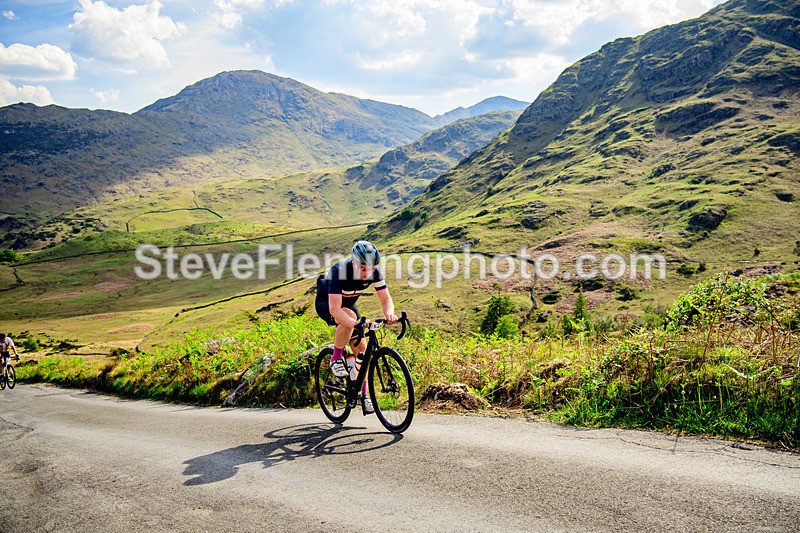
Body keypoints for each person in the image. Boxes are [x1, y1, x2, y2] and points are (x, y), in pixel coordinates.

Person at [315, 240, 398, 414]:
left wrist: (390, 314)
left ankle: (362, 393)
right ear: (354, 262)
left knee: (362, 349)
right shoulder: (339, 271)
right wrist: (354, 323)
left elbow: (385, 298)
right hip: (328, 304)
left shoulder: (373, 272)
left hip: (349, 304)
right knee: (351, 319)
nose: (367, 272)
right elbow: (335, 309)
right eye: (363, 268)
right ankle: (336, 358)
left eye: (372, 268)